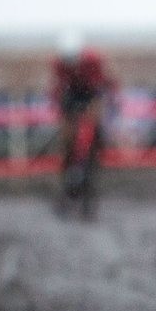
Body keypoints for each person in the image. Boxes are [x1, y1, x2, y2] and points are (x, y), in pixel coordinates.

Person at [50, 30, 114, 191]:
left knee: (94, 119)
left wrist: (97, 108)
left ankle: (98, 143)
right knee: (67, 129)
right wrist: (60, 109)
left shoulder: (93, 61)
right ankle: (69, 157)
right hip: (72, 92)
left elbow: (100, 88)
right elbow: (58, 89)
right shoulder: (59, 63)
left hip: (90, 91)